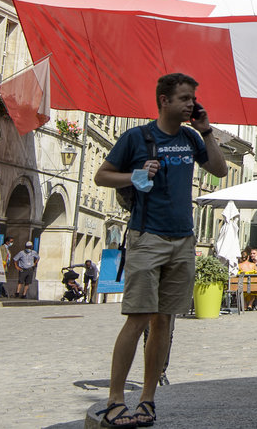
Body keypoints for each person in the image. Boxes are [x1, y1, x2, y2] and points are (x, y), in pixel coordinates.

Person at [92, 72, 227, 428]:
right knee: (137, 318)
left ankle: (147, 400)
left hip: (183, 240)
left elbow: (219, 169)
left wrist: (206, 130)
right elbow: (101, 176)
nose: (191, 104)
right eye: (184, 98)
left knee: (163, 322)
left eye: (192, 99)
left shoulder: (190, 138)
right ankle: (115, 399)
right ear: (164, 100)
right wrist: (133, 176)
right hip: (147, 236)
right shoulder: (136, 137)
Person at [237, 246, 257, 310]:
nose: (252, 255)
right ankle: (250, 304)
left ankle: (245, 305)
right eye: (251, 254)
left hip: (244, 285)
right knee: (254, 287)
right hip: (253, 285)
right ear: (248, 256)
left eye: (254, 253)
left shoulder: (239, 266)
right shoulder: (251, 264)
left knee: (247, 287)